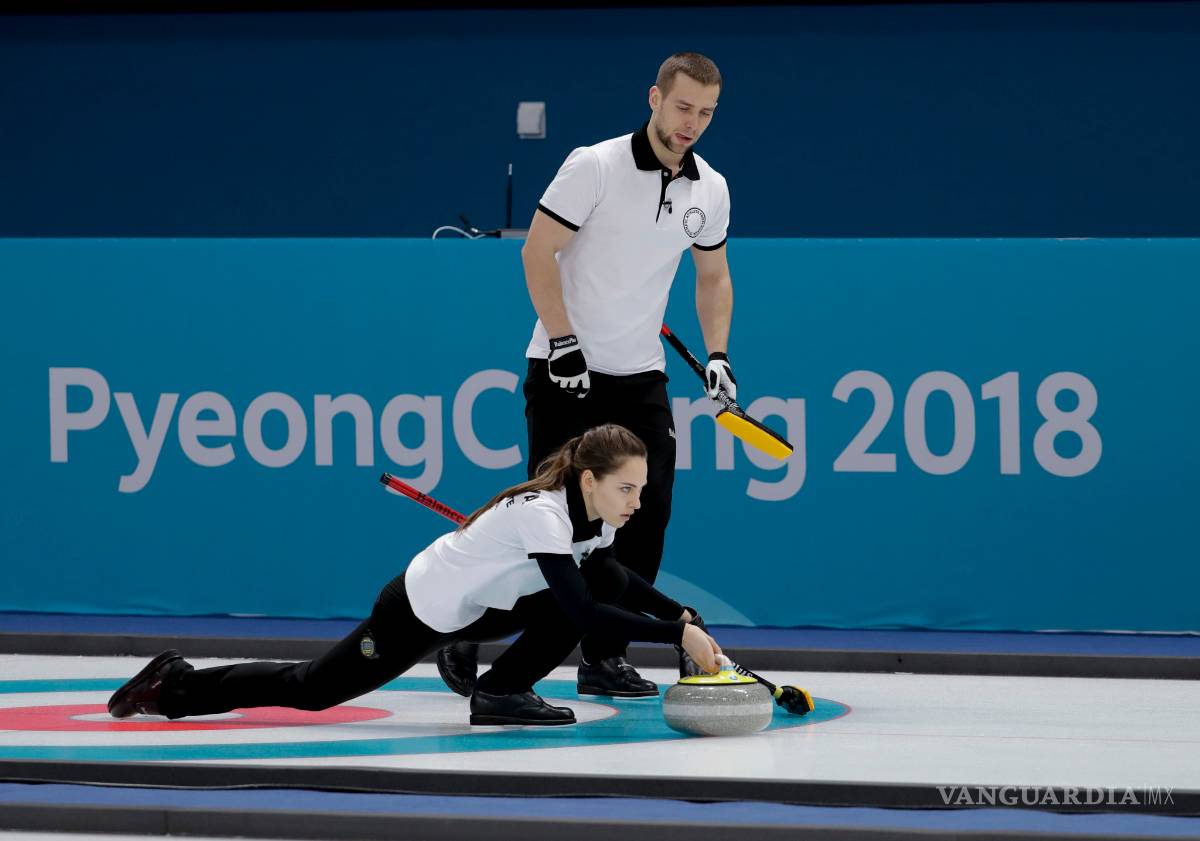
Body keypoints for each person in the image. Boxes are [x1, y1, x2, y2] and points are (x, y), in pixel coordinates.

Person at [439, 51, 736, 698]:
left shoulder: (709, 188)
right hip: (565, 371)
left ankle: (605, 656)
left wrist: (718, 355)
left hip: (639, 378)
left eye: (706, 113)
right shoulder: (594, 165)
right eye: (683, 106)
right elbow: (537, 250)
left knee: (646, 512)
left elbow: (712, 277)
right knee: (554, 524)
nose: (692, 123)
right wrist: (564, 339)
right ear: (654, 98)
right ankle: (467, 628)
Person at [107, 424, 723, 727]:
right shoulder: (544, 515)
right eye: (626, 488)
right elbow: (584, 616)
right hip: (419, 608)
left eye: (640, 489)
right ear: (589, 479)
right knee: (314, 687)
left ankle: (500, 692)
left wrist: (679, 614)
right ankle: (175, 685)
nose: (635, 501)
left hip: (484, 606)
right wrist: (677, 638)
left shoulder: (597, 517)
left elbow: (611, 575)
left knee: (604, 579)